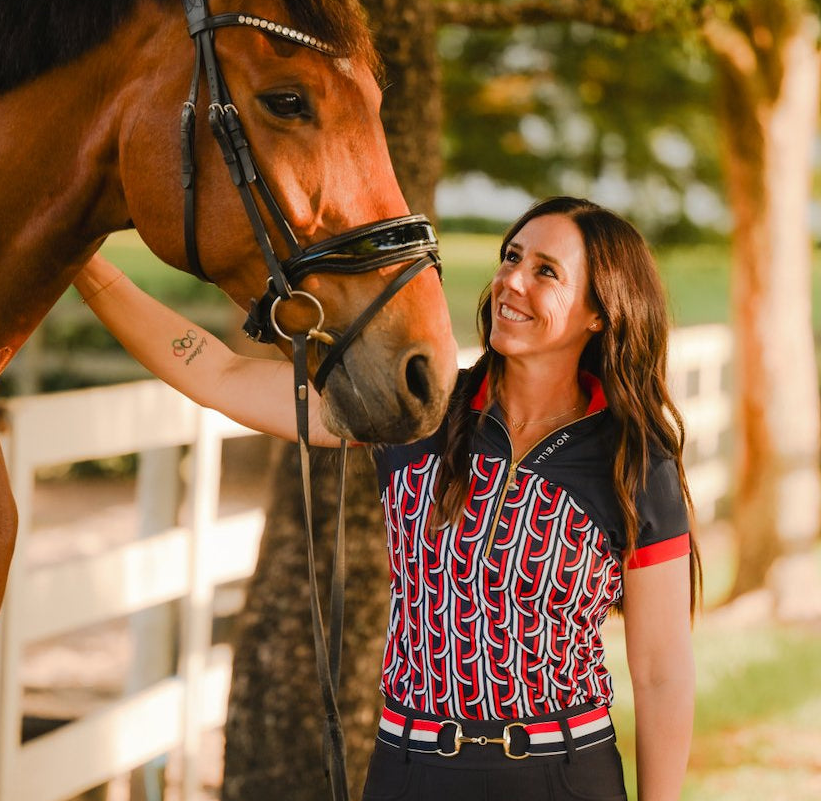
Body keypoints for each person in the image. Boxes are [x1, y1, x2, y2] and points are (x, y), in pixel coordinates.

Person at [74, 196, 700, 801]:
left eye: (546, 272)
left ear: (600, 310)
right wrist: (81, 262)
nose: (513, 282)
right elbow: (216, 375)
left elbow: (662, 670)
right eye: (511, 257)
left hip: (562, 775)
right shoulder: (418, 409)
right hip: (410, 771)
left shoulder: (634, 461)